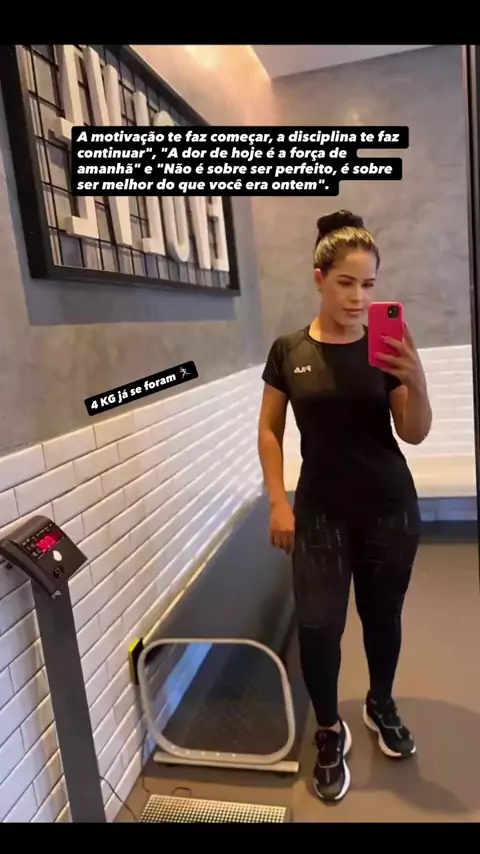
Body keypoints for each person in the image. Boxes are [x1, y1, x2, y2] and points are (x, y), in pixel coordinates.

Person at [257, 210, 432, 803]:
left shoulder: (387, 349)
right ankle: (329, 729)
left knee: (383, 616)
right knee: (317, 625)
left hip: (389, 508)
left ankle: (381, 703)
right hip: (320, 512)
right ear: (320, 278)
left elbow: (413, 433)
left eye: (369, 285)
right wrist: (278, 500)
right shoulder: (289, 350)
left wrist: (417, 378)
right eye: (346, 283)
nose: (359, 297)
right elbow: (270, 430)